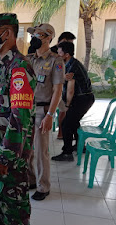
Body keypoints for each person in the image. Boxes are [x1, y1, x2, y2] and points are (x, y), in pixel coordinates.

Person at [0, 13, 36, 224]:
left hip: (7, 160)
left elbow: (20, 118)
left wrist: (5, 158)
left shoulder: (19, 68)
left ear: (8, 33)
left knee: (14, 215)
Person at [26, 23, 64, 201]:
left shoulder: (56, 61)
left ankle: (43, 186)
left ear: (49, 38)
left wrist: (50, 115)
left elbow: (57, 90)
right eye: (33, 35)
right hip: (27, 109)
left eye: (38, 35)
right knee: (26, 149)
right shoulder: (29, 59)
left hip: (43, 109)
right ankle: (31, 179)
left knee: (41, 151)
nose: (34, 38)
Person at [52, 42, 95, 161]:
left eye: (59, 53)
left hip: (83, 99)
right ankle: (81, 146)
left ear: (66, 54)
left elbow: (70, 90)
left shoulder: (72, 67)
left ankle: (67, 153)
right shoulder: (70, 63)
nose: (57, 55)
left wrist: (67, 105)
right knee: (74, 122)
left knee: (66, 124)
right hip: (84, 98)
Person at [51, 32, 77, 139]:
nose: (70, 46)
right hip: (52, 86)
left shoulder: (70, 59)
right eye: (68, 42)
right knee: (63, 108)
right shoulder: (52, 52)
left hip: (61, 86)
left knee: (65, 110)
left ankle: (61, 133)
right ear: (61, 41)